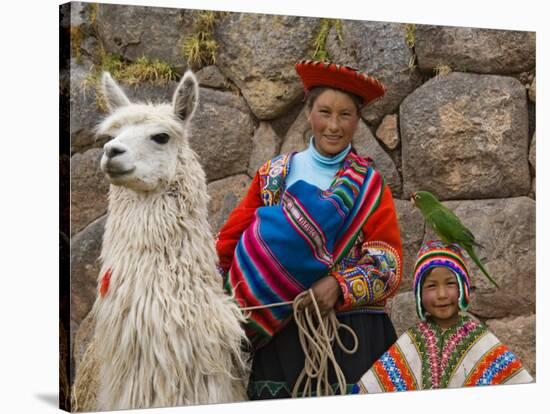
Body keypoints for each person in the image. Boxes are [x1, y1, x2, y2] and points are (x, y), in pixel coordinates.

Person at [215, 60, 403, 399]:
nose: (333, 125)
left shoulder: (370, 188)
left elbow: (388, 265)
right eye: (325, 112)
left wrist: (339, 285)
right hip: (279, 334)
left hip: (351, 338)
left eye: (345, 115)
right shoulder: (273, 176)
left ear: (357, 121)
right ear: (309, 113)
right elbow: (228, 244)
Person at [354, 240, 533, 393]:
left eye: (450, 284)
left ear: (463, 288)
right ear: (419, 295)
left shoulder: (482, 342)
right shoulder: (411, 342)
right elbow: (372, 390)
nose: (442, 294)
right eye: (432, 286)